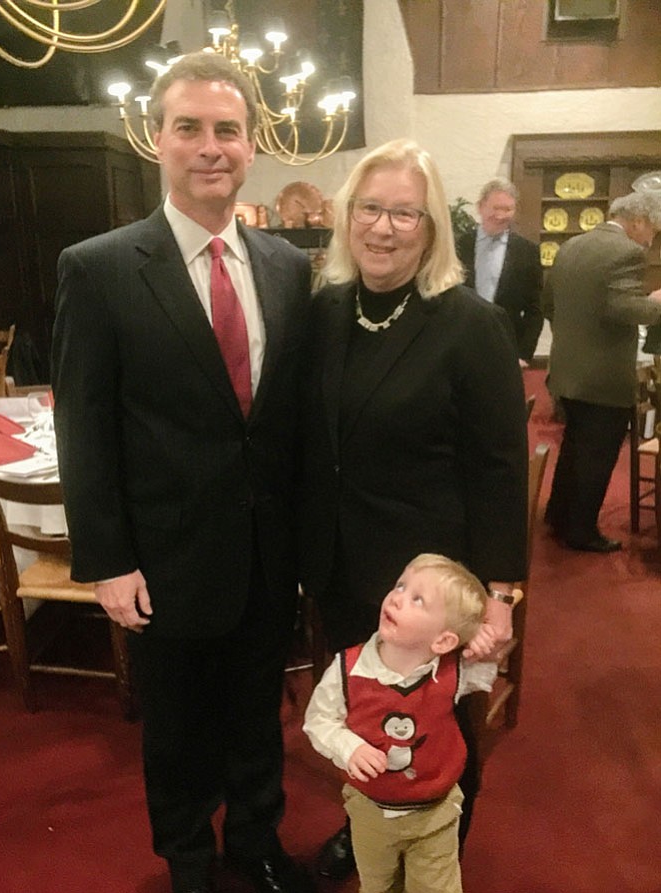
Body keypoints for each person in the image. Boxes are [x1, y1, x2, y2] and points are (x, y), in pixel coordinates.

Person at [51, 52, 313, 893]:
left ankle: (257, 843)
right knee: (176, 728)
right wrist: (106, 559)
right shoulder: (97, 267)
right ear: (156, 140)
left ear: (252, 144)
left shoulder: (286, 267)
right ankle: (190, 861)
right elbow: (82, 424)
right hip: (162, 558)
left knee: (256, 714)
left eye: (228, 130)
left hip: (268, 554)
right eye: (189, 128)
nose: (211, 147)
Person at [298, 138, 528, 879]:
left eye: (405, 212)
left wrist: (498, 594)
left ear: (431, 228)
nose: (384, 226)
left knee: (439, 734)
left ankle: (435, 854)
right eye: (370, 207)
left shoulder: (470, 325)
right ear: (347, 217)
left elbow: (498, 468)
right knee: (363, 717)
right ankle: (367, 829)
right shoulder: (327, 310)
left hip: (429, 587)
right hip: (340, 567)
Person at [304, 553, 497, 893]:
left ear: (443, 641)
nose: (396, 597)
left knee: (438, 887)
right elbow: (319, 720)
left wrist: (482, 642)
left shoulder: (454, 671)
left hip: (435, 813)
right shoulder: (347, 670)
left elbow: (488, 667)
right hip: (370, 811)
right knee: (378, 885)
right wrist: (350, 748)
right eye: (400, 585)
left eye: (417, 600)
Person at [543, 191, 661, 553]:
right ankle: (581, 531)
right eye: (653, 231)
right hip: (602, 377)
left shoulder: (572, 245)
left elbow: (550, 303)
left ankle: (559, 514)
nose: (651, 239)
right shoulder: (626, 252)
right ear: (638, 221)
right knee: (597, 455)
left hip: (567, 369)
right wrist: (655, 304)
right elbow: (621, 307)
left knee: (575, 447)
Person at [457, 178, 544, 367]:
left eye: (508, 209)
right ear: (480, 207)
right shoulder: (458, 245)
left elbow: (535, 308)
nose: (501, 215)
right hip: (461, 344)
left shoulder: (527, 251)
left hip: (507, 347)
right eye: (496, 208)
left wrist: (524, 354)